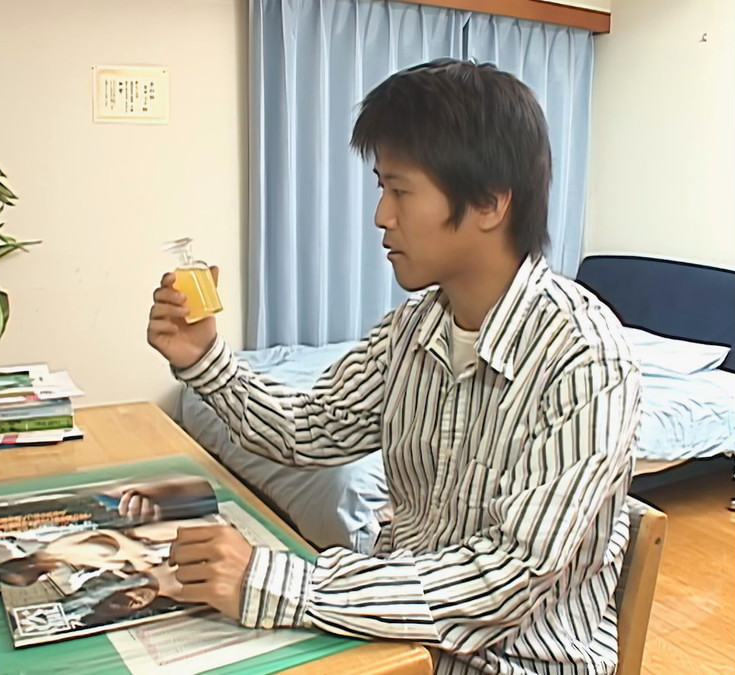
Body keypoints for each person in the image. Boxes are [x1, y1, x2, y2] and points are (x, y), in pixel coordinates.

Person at [147, 58, 641, 674]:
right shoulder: (412, 329)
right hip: (396, 642)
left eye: (400, 191)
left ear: (489, 202)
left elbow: (506, 577)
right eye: (382, 188)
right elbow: (308, 429)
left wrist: (280, 582)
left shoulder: (586, 359)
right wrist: (205, 360)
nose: (382, 215)